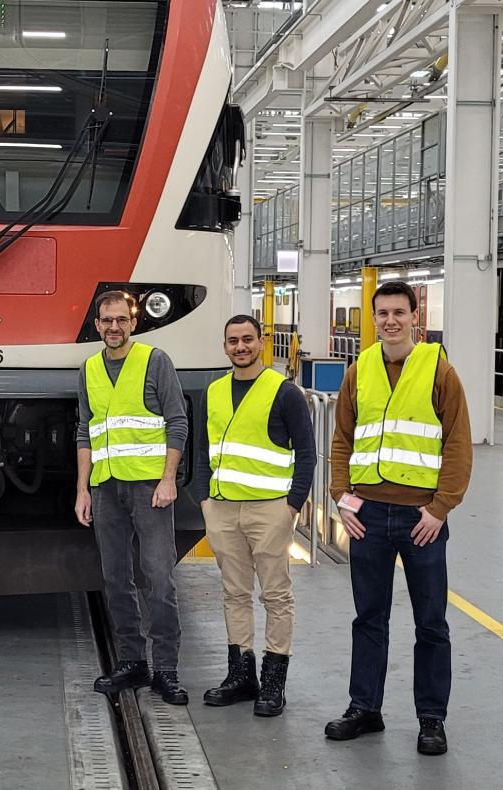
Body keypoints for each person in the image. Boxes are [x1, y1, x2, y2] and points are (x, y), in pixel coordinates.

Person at [325, 281, 471, 756]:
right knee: (369, 617)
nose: (390, 321)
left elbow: (457, 445)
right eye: (382, 313)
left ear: (415, 318)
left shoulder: (439, 371)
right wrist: (340, 498)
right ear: (374, 318)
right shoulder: (359, 371)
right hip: (367, 516)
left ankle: (432, 719)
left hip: (420, 519)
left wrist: (440, 507)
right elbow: (343, 439)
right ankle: (364, 708)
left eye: (398, 312)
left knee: (431, 623)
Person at [195, 315, 316, 717]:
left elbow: (307, 454)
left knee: (276, 595)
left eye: (247, 339)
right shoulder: (213, 391)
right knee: (234, 593)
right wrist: (204, 499)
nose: (240, 347)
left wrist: (292, 506)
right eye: (233, 341)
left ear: (261, 342)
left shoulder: (284, 393)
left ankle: (274, 683)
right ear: (224, 346)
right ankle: (242, 675)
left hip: (270, 509)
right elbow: (202, 450)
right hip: (223, 507)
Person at [74, 290, 189, 705]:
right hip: (106, 488)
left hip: (149, 488)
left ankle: (167, 671)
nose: (114, 327)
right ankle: (131, 662)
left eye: (121, 320)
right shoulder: (88, 368)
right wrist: (82, 489)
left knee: (159, 579)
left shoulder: (154, 361)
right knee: (115, 579)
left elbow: (177, 422)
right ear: (97, 325)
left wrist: (168, 479)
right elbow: (85, 430)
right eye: (106, 321)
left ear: (133, 323)